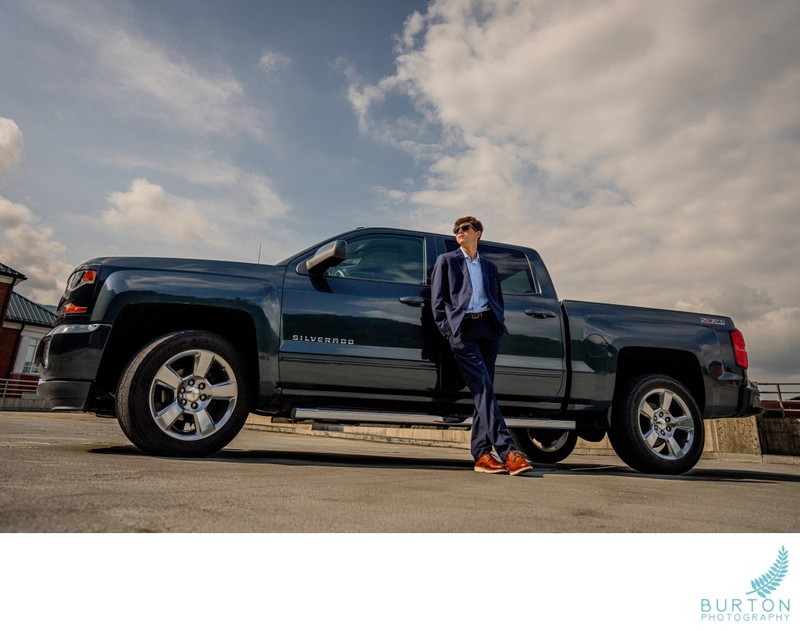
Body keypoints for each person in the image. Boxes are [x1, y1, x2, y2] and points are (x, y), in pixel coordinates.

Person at [431, 216, 533, 476]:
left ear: (478, 233)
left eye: (464, 229)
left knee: (482, 391)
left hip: (488, 329)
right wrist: (448, 328)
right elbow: (438, 299)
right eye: (455, 230)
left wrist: (497, 323)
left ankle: (482, 455)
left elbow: (496, 298)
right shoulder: (448, 260)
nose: (459, 233)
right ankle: (508, 450)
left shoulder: (488, 266)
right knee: (484, 387)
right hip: (462, 330)